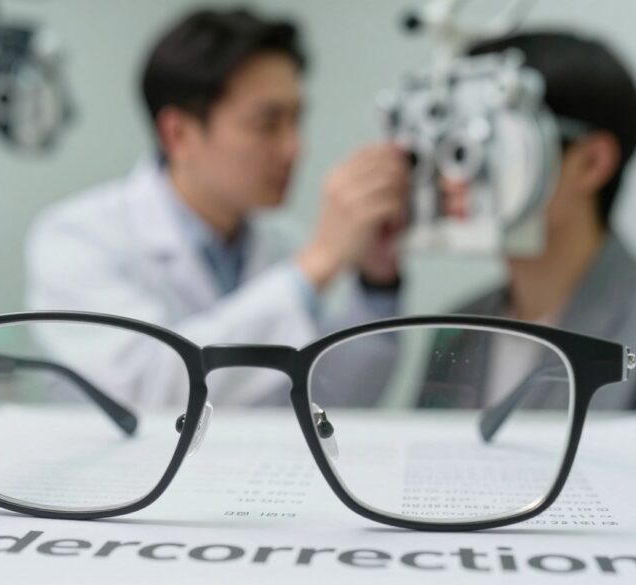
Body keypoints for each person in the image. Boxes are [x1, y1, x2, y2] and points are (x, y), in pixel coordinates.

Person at [25, 8, 410, 406]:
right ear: (178, 134)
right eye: (267, 123)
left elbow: (332, 401)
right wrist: (319, 262)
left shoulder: (282, 243)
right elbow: (145, 392)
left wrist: (376, 282)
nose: (295, 147)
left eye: (297, 119)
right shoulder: (77, 238)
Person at [417, 31, 636, 410]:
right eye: (452, 145)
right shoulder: (458, 328)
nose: (454, 175)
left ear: (591, 162)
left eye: (492, 143)